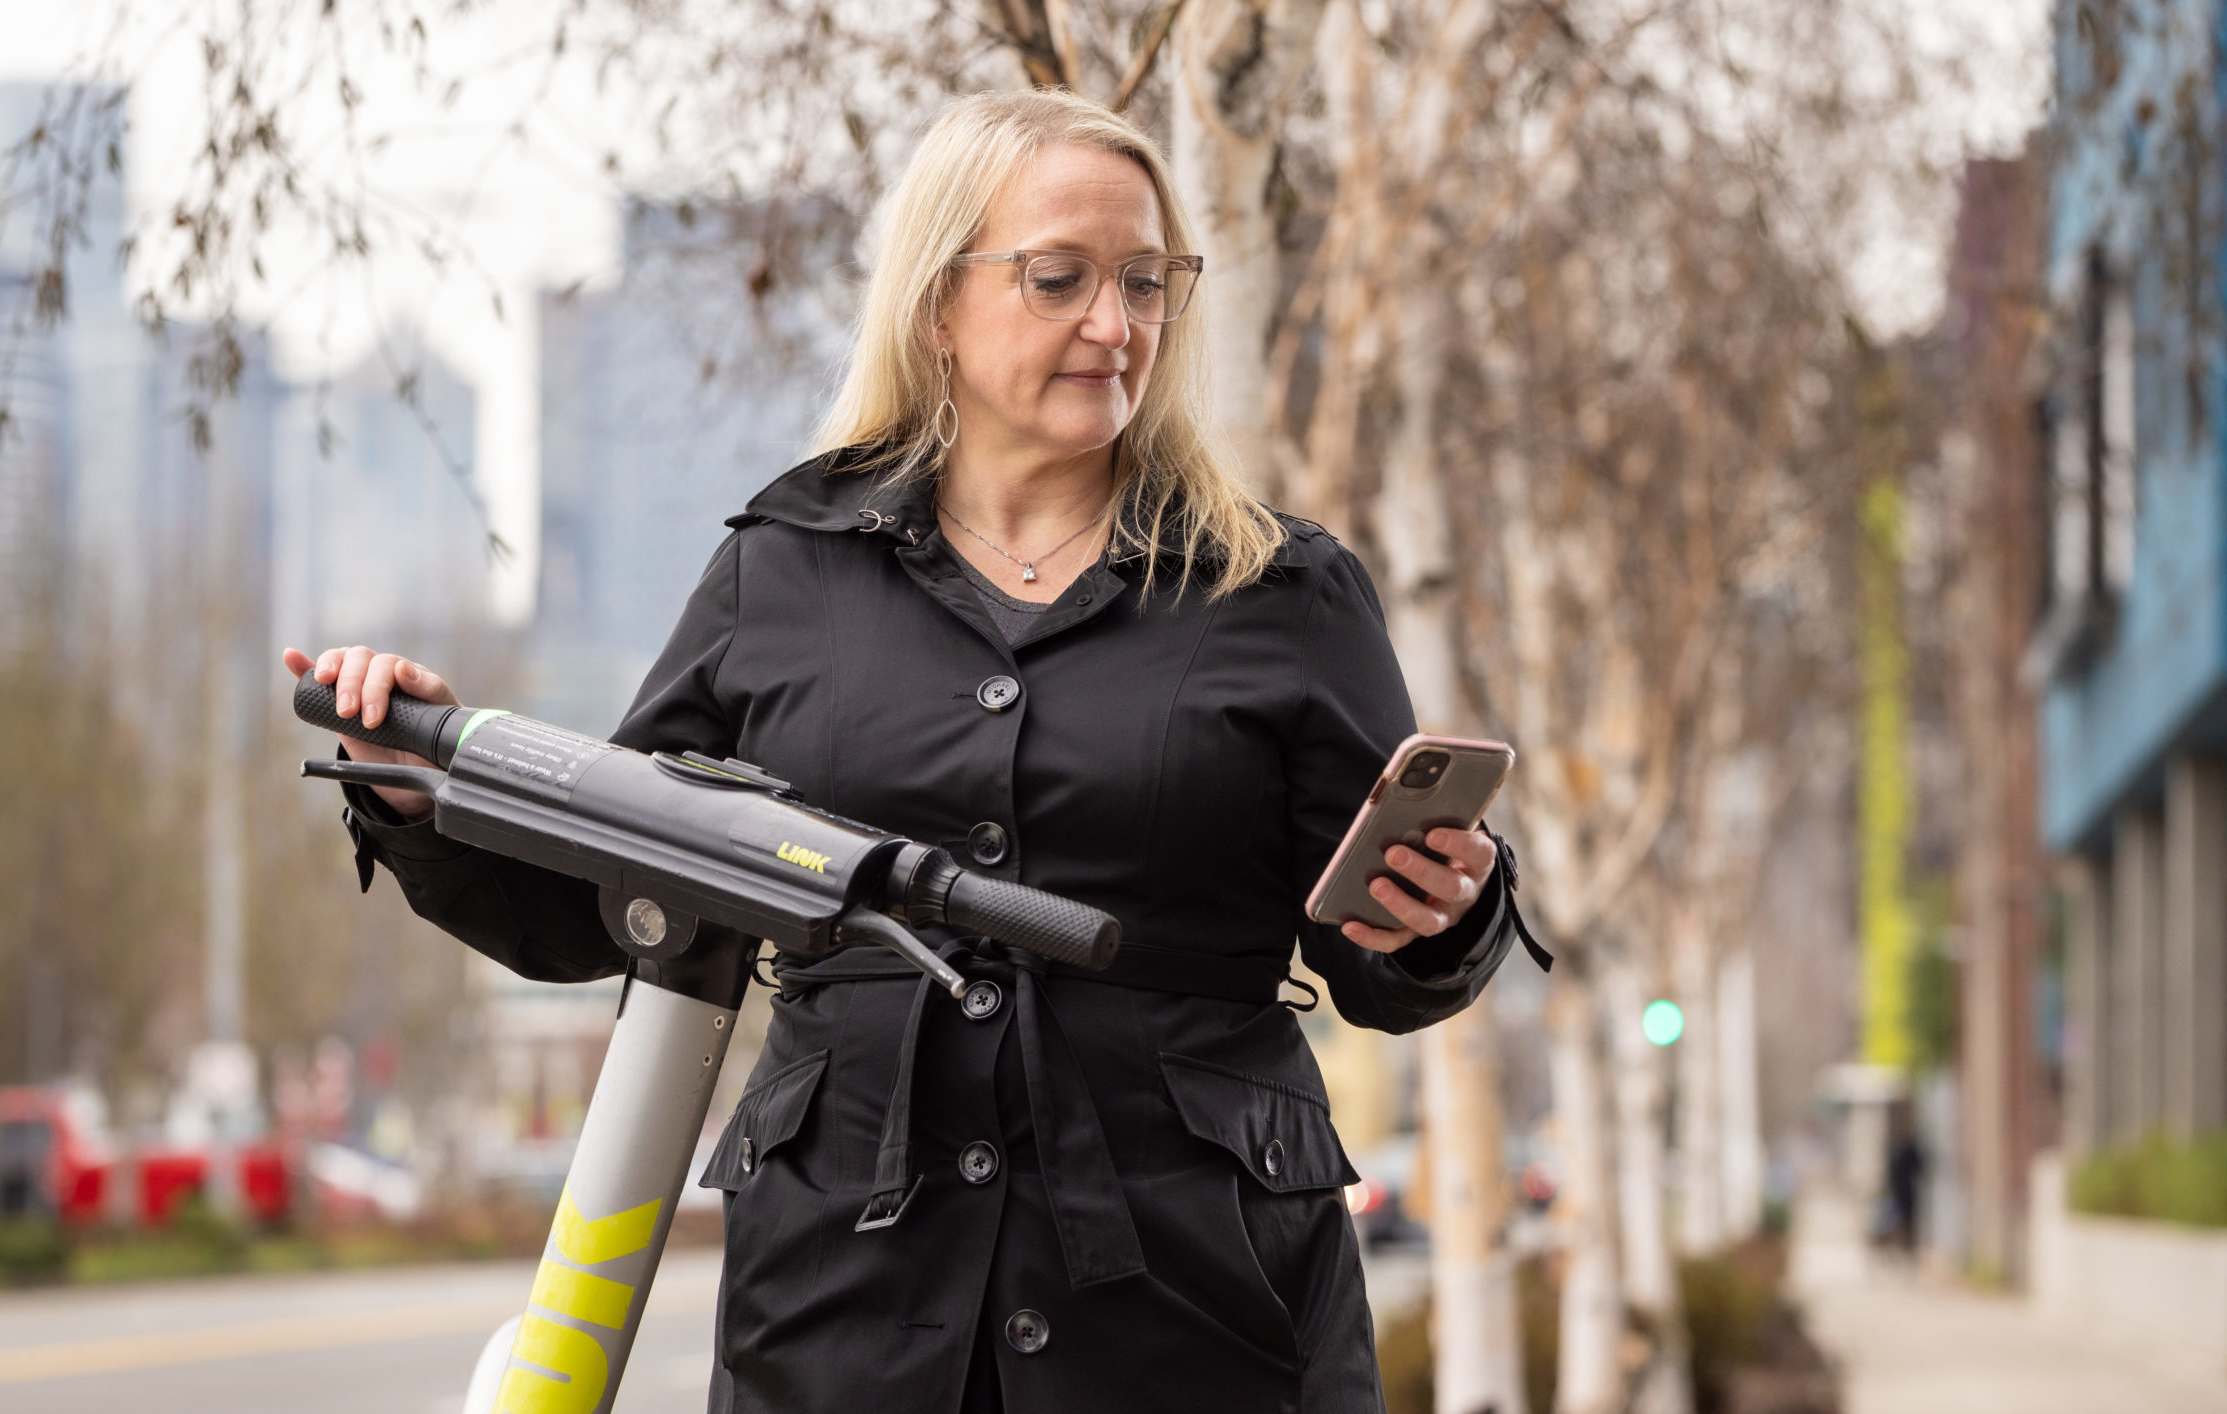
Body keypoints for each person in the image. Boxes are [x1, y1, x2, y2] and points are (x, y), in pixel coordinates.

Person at [288, 88, 1539, 1414]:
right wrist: (415, 790)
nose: (1115, 325)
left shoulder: (1279, 587)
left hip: (1203, 1313)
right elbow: (613, 897)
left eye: (1147, 281)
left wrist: (1444, 912)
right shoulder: (782, 575)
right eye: (1059, 278)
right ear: (939, 299)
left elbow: (1386, 972)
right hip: (848, 1313)